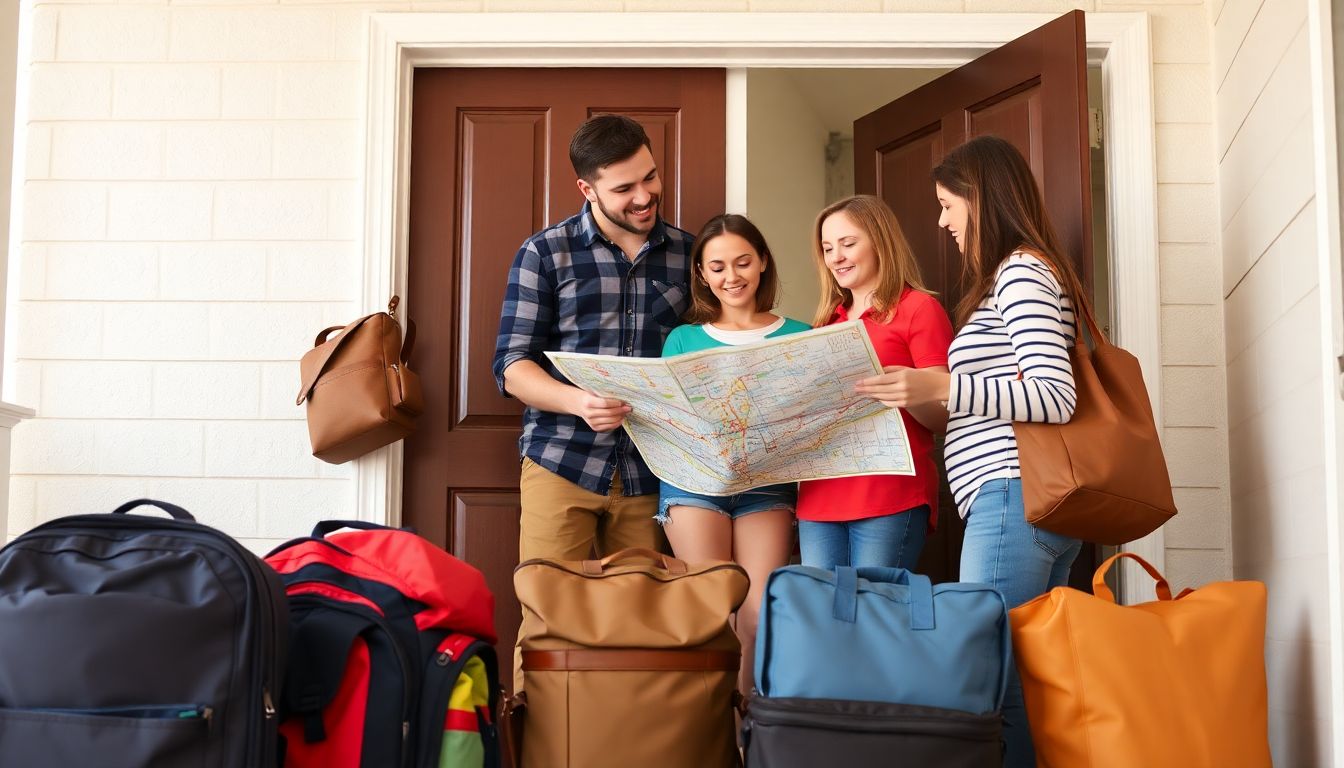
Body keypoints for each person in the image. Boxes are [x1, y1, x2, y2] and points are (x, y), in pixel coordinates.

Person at [854, 135, 1083, 768]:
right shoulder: (1014, 276)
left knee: (989, 677)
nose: (942, 222)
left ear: (980, 200)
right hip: (1018, 500)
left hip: (1014, 496)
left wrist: (943, 385)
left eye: (948, 205)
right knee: (1023, 679)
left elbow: (1053, 393)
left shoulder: (1022, 271)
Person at [491, 115, 693, 682]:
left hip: (654, 469)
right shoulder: (544, 253)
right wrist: (578, 401)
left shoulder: (689, 254)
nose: (645, 196)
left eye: (650, 178)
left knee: (644, 626)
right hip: (562, 462)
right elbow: (511, 366)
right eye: (624, 188)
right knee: (548, 619)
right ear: (587, 189)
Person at [656, 213, 809, 694]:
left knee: (760, 613)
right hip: (695, 486)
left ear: (763, 261)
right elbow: (669, 422)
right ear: (702, 274)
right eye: (717, 267)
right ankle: (712, 733)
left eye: (742, 262)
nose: (732, 277)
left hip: (767, 486)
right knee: (712, 613)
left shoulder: (801, 334)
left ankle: (748, 734)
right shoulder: (682, 339)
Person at [795, 195, 954, 570]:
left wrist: (903, 392)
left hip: (889, 493)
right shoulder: (823, 325)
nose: (836, 257)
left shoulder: (919, 309)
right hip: (818, 496)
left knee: (873, 616)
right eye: (828, 248)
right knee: (821, 618)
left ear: (880, 242)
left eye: (848, 244)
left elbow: (946, 418)